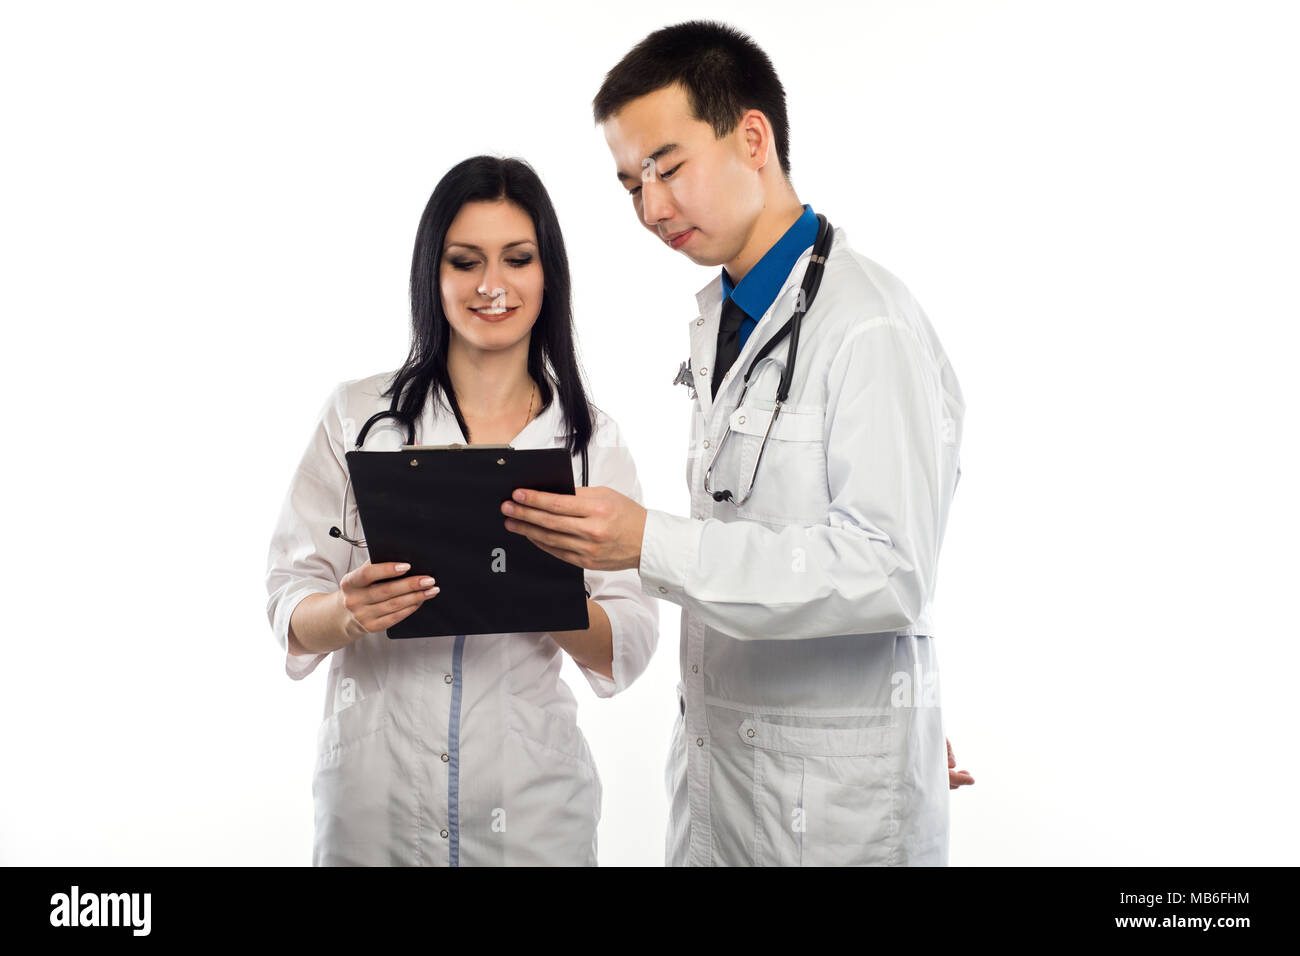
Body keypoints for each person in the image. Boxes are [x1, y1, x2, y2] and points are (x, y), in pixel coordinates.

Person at [502, 20, 971, 865]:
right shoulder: (727, 321)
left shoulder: (869, 328)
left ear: (752, 138)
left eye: (668, 167)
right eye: (629, 185)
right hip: (727, 789)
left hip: (835, 816)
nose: (650, 208)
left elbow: (890, 571)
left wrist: (650, 542)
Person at [264, 155, 659, 866]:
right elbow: (288, 606)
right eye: (464, 261)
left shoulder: (590, 441)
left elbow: (628, 644)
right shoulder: (359, 416)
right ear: (432, 274)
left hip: (533, 814)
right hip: (375, 811)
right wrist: (348, 614)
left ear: (549, 274)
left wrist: (538, 586)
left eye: (517, 258)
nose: (491, 285)